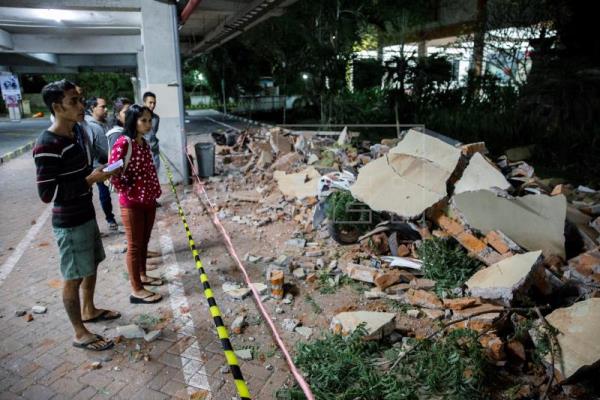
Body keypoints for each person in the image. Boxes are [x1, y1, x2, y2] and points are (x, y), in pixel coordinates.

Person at [34, 79, 120, 351]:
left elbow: (82, 172)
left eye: (80, 99)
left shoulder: (78, 132)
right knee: (73, 275)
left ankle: (89, 310)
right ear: (57, 107)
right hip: (69, 222)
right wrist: (89, 180)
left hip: (86, 212)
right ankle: (79, 332)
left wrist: (102, 170)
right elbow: (47, 193)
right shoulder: (46, 143)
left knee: (91, 265)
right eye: (74, 102)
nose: (82, 105)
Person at [109, 104, 163, 304]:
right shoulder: (124, 143)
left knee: (144, 242)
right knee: (133, 246)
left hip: (148, 200)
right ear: (133, 121)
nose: (148, 124)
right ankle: (137, 289)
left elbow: (149, 171)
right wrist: (127, 189)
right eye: (143, 120)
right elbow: (112, 172)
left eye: (149, 120)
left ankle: (143, 275)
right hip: (132, 203)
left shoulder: (144, 143)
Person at [85, 97, 119, 232]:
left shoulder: (107, 123)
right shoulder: (90, 126)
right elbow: (91, 147)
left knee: (114, 190)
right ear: (93, 108)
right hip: (98, 166)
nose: (106, 110)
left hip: (110, 163)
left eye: (106, 107)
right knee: (104, 193)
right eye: (102, 107)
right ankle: (110, 219)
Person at [142, 91, 160, 171]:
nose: (152, 105)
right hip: (142, 153)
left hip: (154, 152)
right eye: (150, 102)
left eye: (154, 103)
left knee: (155, 175)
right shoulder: (137, 117)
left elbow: (153, 134)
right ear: (144, 102)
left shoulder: (156, 118)